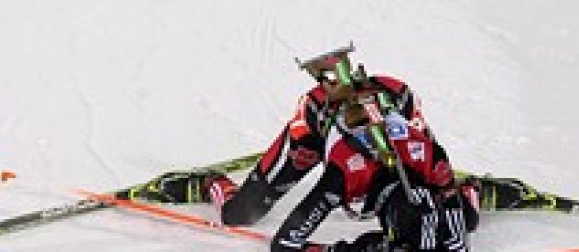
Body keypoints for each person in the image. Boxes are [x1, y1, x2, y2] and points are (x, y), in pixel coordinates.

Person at [132, 43, 432, 227]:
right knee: (240, 214)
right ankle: (210, 183)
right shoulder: (319, 114)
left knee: (426, 190)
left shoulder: (401, 99)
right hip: (314, 136)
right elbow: (296, 227)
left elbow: (432, 164)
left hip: (385, 138)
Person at [269, 90, 477, 251]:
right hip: (317, 120)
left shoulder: (431, 158)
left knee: (466, 219)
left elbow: (457, 235)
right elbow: (284, 244)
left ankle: (469, 192)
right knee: (245, 207)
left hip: (394, 99)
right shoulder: (342, 176)